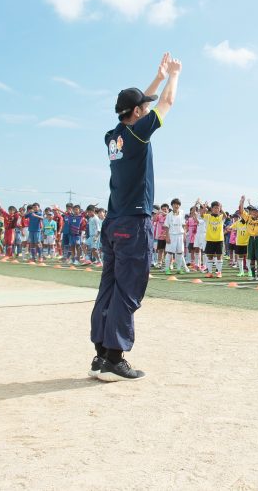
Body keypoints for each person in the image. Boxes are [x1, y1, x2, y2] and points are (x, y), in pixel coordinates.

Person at [89, 51, 180, 382]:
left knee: (109, 288)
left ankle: (101, 355)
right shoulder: (138, 134)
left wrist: (156, 77)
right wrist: (174, 75)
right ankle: (115, 357)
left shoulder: (113, 136)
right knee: (128, 290)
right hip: (133, 221)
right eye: (143, 107)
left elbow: (138, 104)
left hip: (114, 221)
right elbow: (166, 103)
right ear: (138, 113)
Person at [164, 198, 188, 274]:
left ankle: (178, 269)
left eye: (178, 204)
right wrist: (167, 236)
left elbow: (184, 225)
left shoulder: (182, 213)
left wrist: (184, 234)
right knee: (169, 252)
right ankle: (167, 269)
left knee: (180, 252)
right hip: (172, 235)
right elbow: (166, 226)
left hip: (180, 235)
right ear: (172, 205)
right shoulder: (169, 215)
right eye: (174, 204)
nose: (176, 206)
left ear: (179, 205)